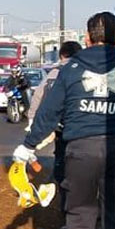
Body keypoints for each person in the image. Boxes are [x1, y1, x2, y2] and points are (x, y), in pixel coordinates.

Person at [13, 12, 115, 229]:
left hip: (80, 150)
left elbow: (49, 114)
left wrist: (28, 146)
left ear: (87, 38)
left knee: (80, 215)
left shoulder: (71, 69)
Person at [27, 41, 82, 205]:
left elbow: (38, 96)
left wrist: (32, 121)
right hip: (82, 130)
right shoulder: (84, 72)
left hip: (60, 128)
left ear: (61, 55)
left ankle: (64, 201)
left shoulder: (54, 74)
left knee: (61, 161)